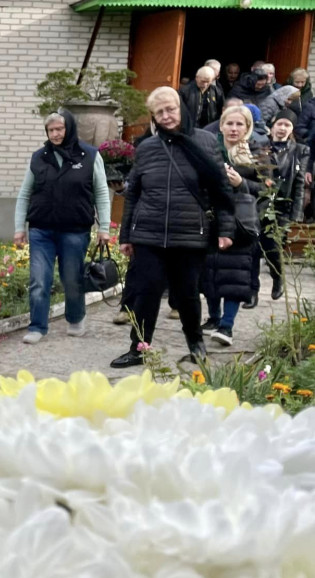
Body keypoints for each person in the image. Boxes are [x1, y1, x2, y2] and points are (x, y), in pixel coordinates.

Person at [111, 87, 235, 369]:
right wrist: (126, 235)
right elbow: (134, 194)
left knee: (187, 294)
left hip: (190, 234)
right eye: (159, 112)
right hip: (148, 234)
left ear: (182, 109)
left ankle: (196, 344)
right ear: (154, 117)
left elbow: (221, 189)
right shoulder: (146, 147)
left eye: (171, 109)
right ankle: (139, 348)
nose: (166, 116)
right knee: (146, 293)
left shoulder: (204, 141)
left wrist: (226, 231)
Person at [14, 110, 111, 343]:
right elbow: (25, 193)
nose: (56, 134)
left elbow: (101, 192)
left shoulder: (89, 155)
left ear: (69, 129)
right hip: (41, 229)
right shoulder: (39, 157)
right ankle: (37, 327)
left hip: (74, 230)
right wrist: (20, 227)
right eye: (51, 130)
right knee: (39, 279)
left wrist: (104, 227)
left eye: (60, 129)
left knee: (72, 278)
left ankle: (76, 318)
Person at [200, 105, 260, 346]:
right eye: (230, 124)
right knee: (211, 270)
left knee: (235, 273)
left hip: (240, 223)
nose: (234, 129)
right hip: (211, 219)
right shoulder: (210, 150)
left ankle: (227, 325)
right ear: (221, 125)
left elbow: (268, 188)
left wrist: (241, 183)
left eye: (240, 124)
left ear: (248, 127)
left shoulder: (257, 153)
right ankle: (213, 318)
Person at [253, 109, 308, 304]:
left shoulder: (299, 150)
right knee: (253, 248)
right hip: (259, 204)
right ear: (273, 125)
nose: (283, 128)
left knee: (272, 248)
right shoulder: (259, 146)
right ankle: (252, 291)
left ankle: (277, 278)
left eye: (287, 125)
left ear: (291, 129)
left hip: (282, 206)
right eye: (280, 124)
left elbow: (299, 183)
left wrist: (297, 213)